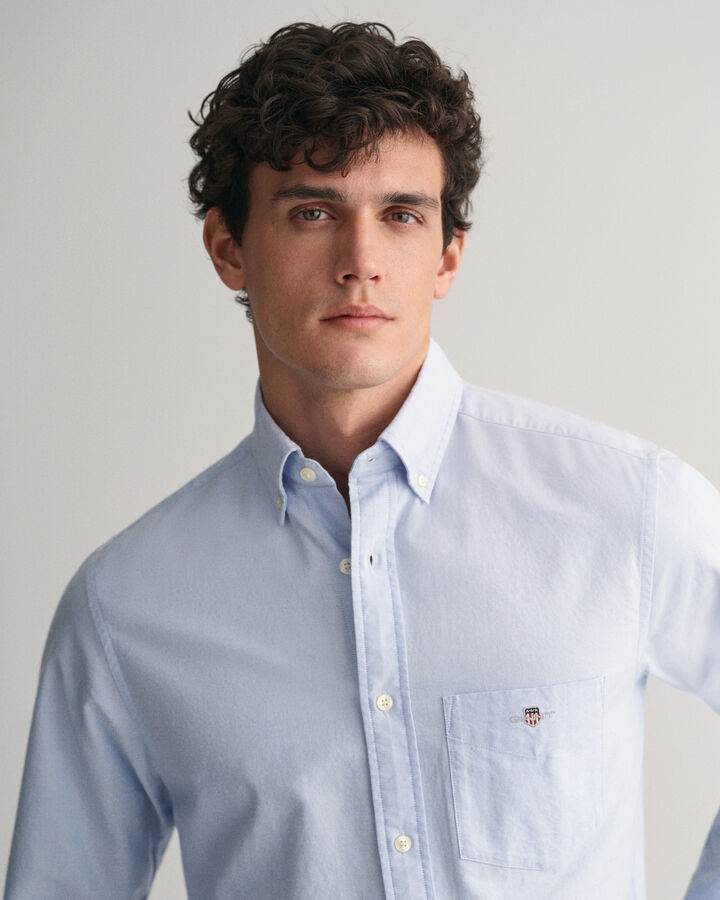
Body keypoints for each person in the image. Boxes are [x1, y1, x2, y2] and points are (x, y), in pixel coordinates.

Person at [4, 19, 719, 900]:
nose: (361, 263)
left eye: (401, 215)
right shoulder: (125, 607)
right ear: (229, 249)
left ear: (448, 256)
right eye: (313, 213)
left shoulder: (625, 507)